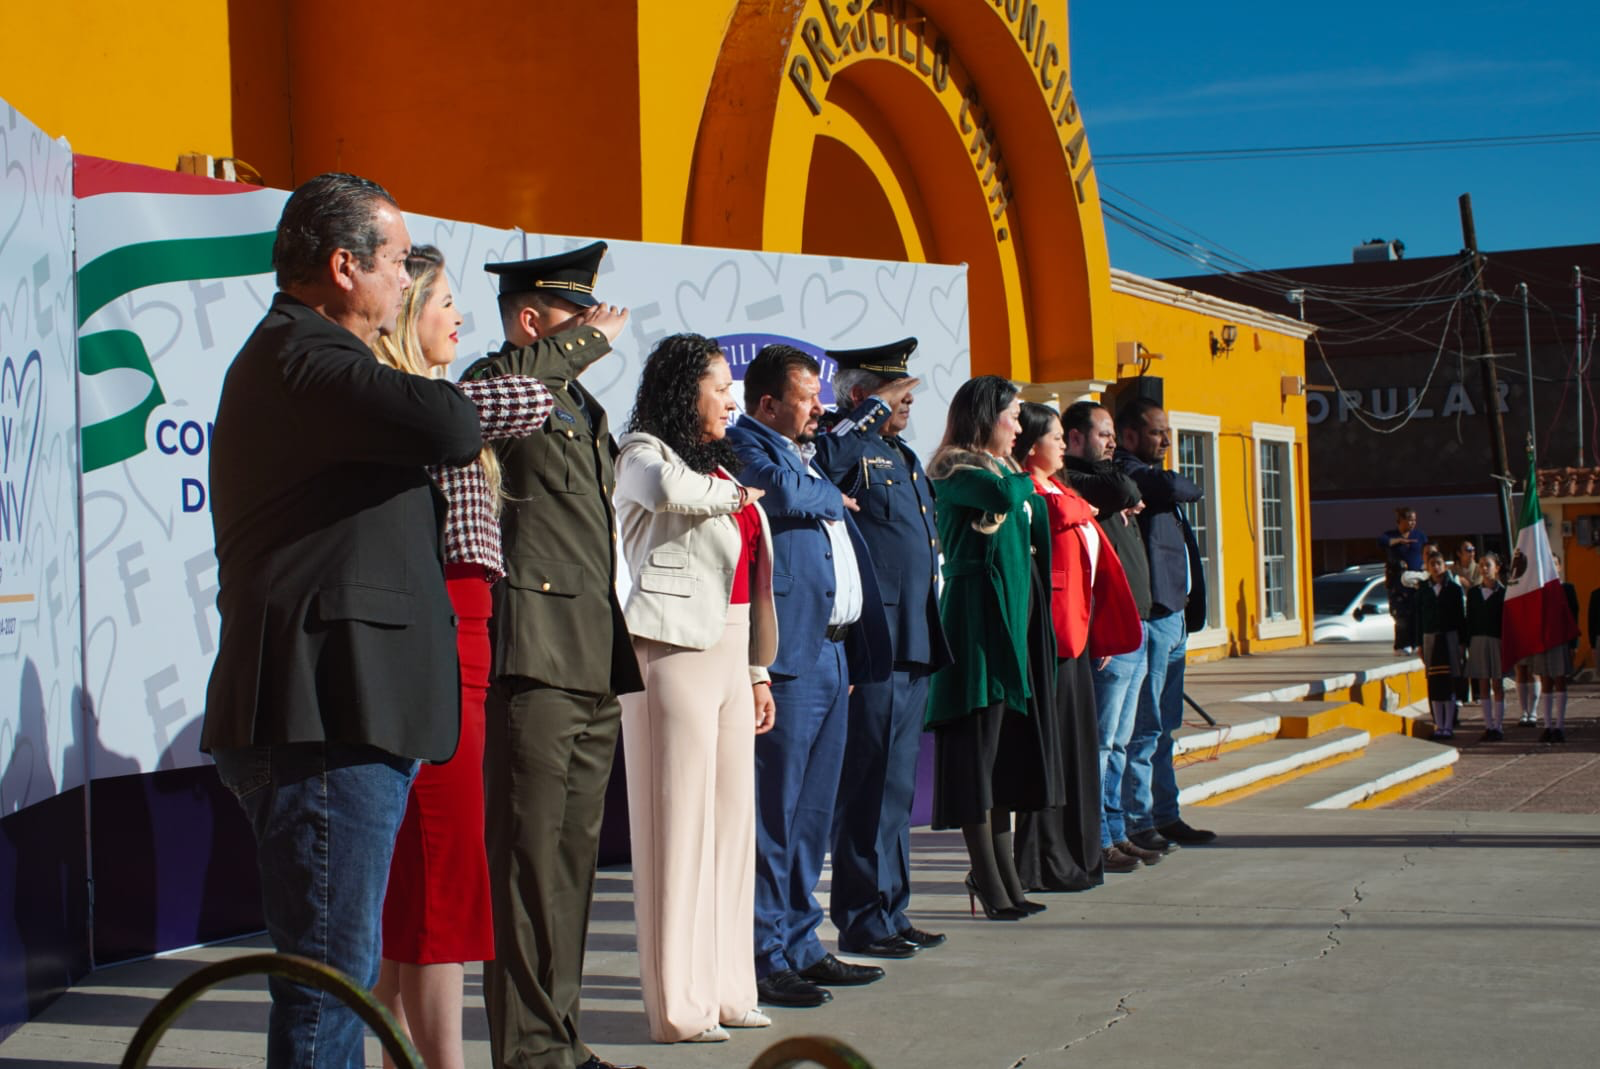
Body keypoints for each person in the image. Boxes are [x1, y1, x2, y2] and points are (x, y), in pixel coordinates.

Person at [200, 173, 484, 1069]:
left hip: (341, 716)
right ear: (343, 265)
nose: (406, 278)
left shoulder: (313, 358)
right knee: (330, 981)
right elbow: (450, 424)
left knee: (338, 974)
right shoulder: (307, 356)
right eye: (396, 261)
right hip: (320, 719)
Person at [365, 246, 561, 1069]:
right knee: (439, 872)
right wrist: (584, 338)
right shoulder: (411, 404)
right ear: (408, 312)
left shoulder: (435, 404)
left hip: (465, 638)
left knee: (424, 877)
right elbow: (531, 395)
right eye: (444, 301)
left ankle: (393, 1053)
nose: (458, 317)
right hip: (438, 639)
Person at [463, 242, 641, 1069]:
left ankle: (561, 1040)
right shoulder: (501, 385)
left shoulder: (578, 404)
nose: (597, 322)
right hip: (534, 658)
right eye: (578, 313)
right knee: (526, 867)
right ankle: (528, 1054)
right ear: (533, 321)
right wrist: (583, 342)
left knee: (570, 869)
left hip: (592, 657)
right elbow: (485, 404)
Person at [613, 334, 779, 1043]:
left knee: (732, 830)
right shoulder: (642, 453)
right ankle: (679, 1006)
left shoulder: (720, 466)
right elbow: (663, 493)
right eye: (719, 388)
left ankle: (729, 990)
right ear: (686, 392)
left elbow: (744, 577)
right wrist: (737, 494)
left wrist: (757, 672)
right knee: (675, 834)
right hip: (671, 649)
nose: (730, 402)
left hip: (733, 651)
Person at [725, 345, 892, 1009]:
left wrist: (824, 492)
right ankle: (764, 955)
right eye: (806, 397)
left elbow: (809, 492)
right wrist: (830, 496)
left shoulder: (803, 449)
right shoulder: (747, 443)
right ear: (768, 403)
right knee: (776, 813)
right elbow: (790, 494)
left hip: (832, 651)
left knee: (813, 815)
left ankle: (801, 942)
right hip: (789, 657)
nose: (819, 408)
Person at [810, 338, 952, 960]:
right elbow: (822, 464)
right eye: (897, 394)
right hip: (877, 643)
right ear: (864, 397)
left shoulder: (901, 454)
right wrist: (868, 412)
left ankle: (891, 908)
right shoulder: (844, 444)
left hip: (914, 638)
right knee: (868, 787)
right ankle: (863, 918)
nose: (909, 403)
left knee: (895, 790)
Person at [924, 376, 1053, 922]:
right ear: (985, 416)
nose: (1020, 427)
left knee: (1000, 760)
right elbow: (1004, 497)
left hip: (1010, 624)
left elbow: (1033, 522)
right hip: (976, 621)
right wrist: (1027, 480)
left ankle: (1007, 880)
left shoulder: (1002, 471)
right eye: (1013, 415)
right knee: (978, 756)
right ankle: (986, 876)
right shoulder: (955, 469)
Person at [1010, 403, 1143, 893]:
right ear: (1033, 447)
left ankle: (1076, 854)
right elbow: (1064, 517)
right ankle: (1043, 860)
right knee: (1053, 753)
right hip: (1049, 637)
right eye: (1056, 438)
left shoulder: (1063, 488)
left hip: (1078, 634)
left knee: (1079, 751)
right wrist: (1087, 509)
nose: (1064, 446)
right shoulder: (1031, 490)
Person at [1060, 401, 1159, 873]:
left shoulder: (1103, 482)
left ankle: (1117, 831)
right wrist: (1123, 491)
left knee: (1120, 742)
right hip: (1109, 635)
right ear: (1074, 438)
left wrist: (1125, 493)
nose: (1113, 443)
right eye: (1103, 434)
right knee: (1100, 744)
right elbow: (1124, 486)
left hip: (1136, 627)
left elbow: (1128, 488)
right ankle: (1097, 840)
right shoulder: (1075, 480)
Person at [1114, 398, 1214, 849]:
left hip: (1174, 616)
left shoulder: (1154, 480)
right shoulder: (1128, 474)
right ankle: (1138, 821)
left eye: (1168, 432)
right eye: (1158, 432)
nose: (1167, 441)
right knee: (1145, 729)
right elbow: (1177, 485)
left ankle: (1165, 814)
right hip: (1151, 620)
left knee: (1165, 725)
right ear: (1130, 436)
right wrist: (1175, 484)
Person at [1414, 547, 1466, 739]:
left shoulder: (1453, 589)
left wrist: (1462, 642)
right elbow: (1418, 618)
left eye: (1439, 564)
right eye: (1432, 564)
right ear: (1427, 567)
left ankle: (1450, 722)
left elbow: (1460, 616)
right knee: (1434, 680)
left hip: (1450, 636)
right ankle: (1438, 723)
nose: (1436, 567)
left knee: (1450, 679)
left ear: (1445, 566)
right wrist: (1419, 643)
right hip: (1430, 637)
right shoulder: (1423, 590)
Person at [1465, 552, 1506, 742]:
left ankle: (1498, 725)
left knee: (1497, 683)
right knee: (1483, 682)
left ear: (1497, 568)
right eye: (1481, 565)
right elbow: (1469, 618)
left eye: (1488, 565)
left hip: (1497, 640)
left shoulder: (1503, 593)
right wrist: (1468, 643)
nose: (1484, 568)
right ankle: (1488, 725)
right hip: (1478, 640)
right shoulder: (1474, 593)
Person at [1380, 508, 1428, 653]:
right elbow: (1382, 542)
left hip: (1416, 581)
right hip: (1397, 583)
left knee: (1416, 613)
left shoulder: (1419, 536)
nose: (1412, 523)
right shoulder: (1390, 535)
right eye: (1409, 520)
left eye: (1414, 520)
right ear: (1400, 521)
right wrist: (1400, 540)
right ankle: (1401, 645)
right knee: (1401, 615)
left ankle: (1416, 643)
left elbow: (1427, 550)